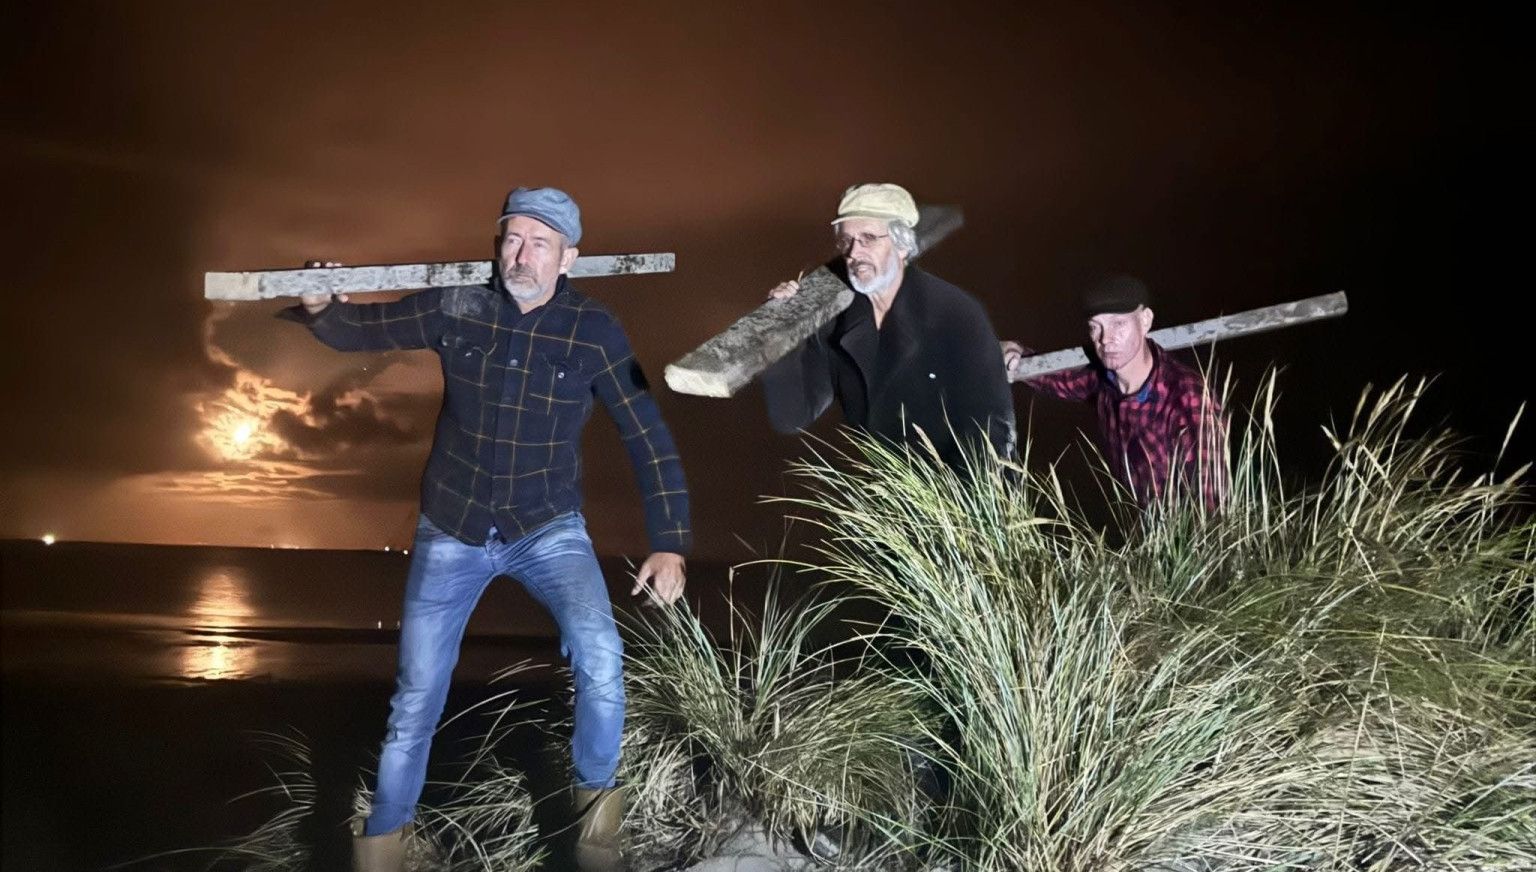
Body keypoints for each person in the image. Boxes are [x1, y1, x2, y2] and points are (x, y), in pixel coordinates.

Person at [281, 186, 689, 872]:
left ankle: (597, 847)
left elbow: (647, 435)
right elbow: (365, 331)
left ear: (570, 258)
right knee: (416, 695)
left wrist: (669, 541)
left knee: (602, 658)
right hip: (454, 527)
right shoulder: (459, 303)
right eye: (512, 238)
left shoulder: (596, 331)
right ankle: (383, 846)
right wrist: (324, 307)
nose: (521, 255)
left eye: (539, 243)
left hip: (547, 527)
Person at [760, 183, 1015, 470]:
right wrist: (781, 330)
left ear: (902, 244)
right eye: (846, 241)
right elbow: (791, 415)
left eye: (868, 238)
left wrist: (958, 508)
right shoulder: (837, 323)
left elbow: (990, 430)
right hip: (889, 492)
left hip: (960, 492)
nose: (854, 252)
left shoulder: (955, 314)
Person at [1001, 274, 1227, 511]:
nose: (1106, 339)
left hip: (1180, 536)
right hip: (1136, 523)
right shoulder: (1103, 378)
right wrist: (1014, 352)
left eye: (1118, 324)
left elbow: (1211, 504)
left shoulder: (1189, 397)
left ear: (1145, 320)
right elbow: (1054, 377)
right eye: (1095, 327)